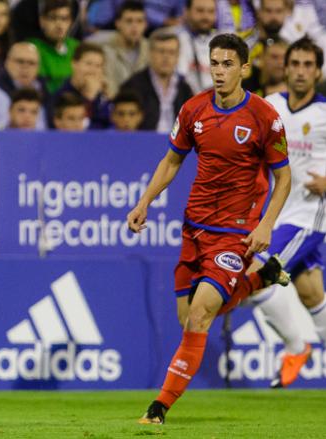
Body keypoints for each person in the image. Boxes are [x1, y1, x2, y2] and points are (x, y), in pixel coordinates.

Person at [128, 33, 292, 424]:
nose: (219, 72)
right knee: (188, 317)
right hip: (195, 226)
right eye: (214, 63)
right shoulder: (193, 110)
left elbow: (283, 178)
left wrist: (266, 224)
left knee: (200, 314)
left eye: (227, 64)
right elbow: (171, 162)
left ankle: (158, 408)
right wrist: (144, 200)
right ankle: (258, 280)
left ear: (244, 68)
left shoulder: (264, 117)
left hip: (236, 233)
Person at [245, 36, 326, 389]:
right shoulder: (270, 106)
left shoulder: (325, 114)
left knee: (250, 274)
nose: (300, 72)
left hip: (310, 218)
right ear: (285, 67)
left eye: (308, 65)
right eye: (295, 64)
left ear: (318, 72)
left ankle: (296, 345)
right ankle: (301, 346)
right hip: (277, 212)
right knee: (311, 293)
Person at [119, 28, 193, 133]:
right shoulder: (133, 86)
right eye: (161, 51)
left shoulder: (185, 88)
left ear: (177, 56)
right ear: (150, 54)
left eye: (171, 52)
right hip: (144, 143)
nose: (166, 57)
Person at [86, 1, 149, 99]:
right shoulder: (99, 45)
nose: (134, 26)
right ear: (118, 23)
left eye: (139, 21)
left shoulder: (151, 50)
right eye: (129, 21)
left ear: (145, 24)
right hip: (110, 103)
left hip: (142, 107)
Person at [52, 42, 110, 129]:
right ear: (74, 64)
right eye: (88, 64)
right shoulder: (60, 96)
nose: (93, 71)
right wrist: (89, 99)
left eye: (98, 66)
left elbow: (110, 126)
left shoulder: (102, 97)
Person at [28, 0, 79, 94]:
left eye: (64, 19)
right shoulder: (31, 49)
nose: (59, 25)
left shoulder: (77, 47)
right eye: (53, 18)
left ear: (71, 22)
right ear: (42, 21)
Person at [176, 0, 217, 94]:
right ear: (186, 12)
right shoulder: (175, 39)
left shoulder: (223, 41)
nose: (206, 17)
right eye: (200, 10)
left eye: (211, 11)